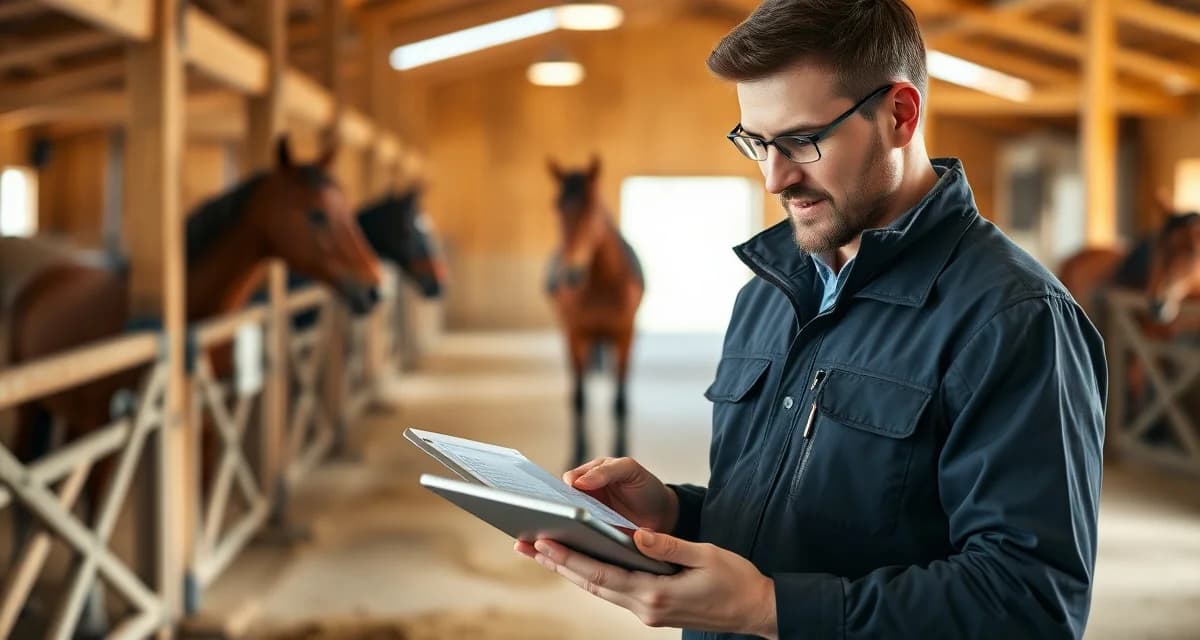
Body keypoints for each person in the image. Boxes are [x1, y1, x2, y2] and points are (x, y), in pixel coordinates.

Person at [515, 1, 1107, 638]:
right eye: (756, 142)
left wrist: (769, 610)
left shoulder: (1013, 319)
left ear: (900, 115)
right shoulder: (768, 295)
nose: (774, 177)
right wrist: (676, 514)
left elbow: (1029, 606)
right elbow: (806, 522)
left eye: (801, 141)